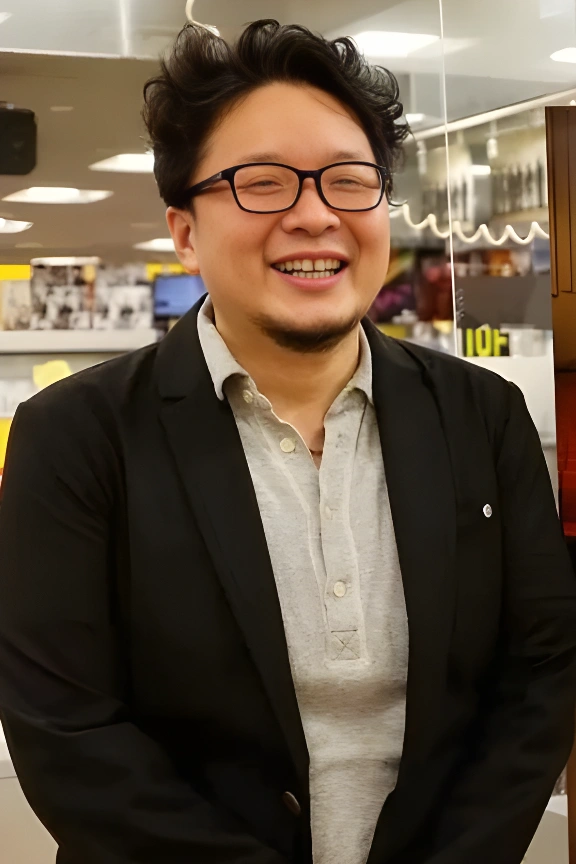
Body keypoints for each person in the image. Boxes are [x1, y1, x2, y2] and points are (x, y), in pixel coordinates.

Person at [0, 20, 575, 864]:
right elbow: (68, 731)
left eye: (350, 181)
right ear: (185, 231)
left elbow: (542, 675)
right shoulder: (77, 435)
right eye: (261, 184)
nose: (314, 215)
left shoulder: (481, 415)